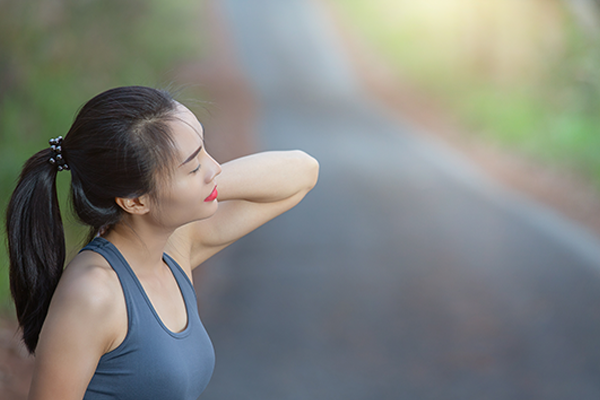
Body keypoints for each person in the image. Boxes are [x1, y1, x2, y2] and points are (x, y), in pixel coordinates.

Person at [5, 86, 319, 399]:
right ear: (135, 201)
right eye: (194, 166)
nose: (215, 168)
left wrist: (200, 186)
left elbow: (302, 172)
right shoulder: (94, 294)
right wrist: (195, 190)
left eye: (204, 150)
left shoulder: (173, 250)